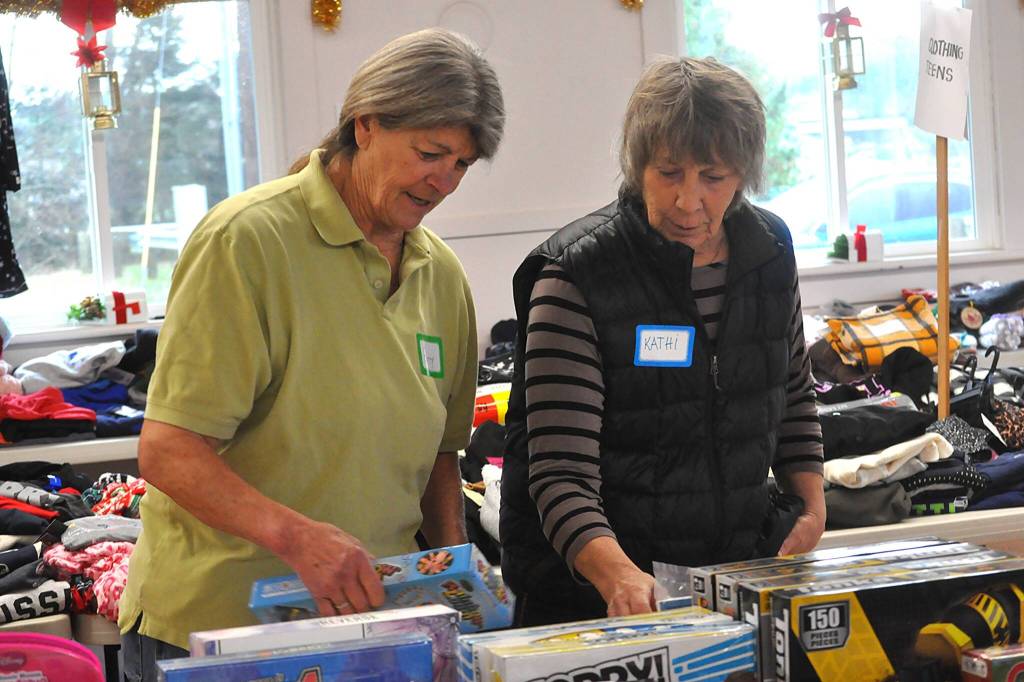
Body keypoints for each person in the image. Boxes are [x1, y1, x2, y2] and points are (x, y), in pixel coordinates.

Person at [118, 28, 504, 679]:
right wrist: (297, 538)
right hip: (217, 637)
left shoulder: (441, 276)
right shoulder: (247, 241)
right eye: (430, 153)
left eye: (462, 165)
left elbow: (442, 455)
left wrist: (457, 588)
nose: (443, 181)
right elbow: (168, 450)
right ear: (366, 124)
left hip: (372, 633)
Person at [499, 56, 825, 626]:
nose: (688, 201)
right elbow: (558, 472)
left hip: (733, 582)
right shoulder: (577, 275)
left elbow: (791, 389)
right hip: (594, 601)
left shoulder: (769, 248)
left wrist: (812, 504)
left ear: (743, 175)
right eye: (669, 173)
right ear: (637, 166)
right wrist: (617, 574)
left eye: (714, 177)